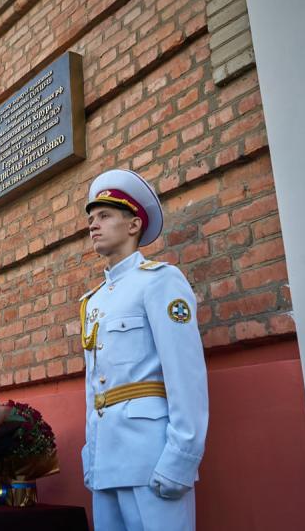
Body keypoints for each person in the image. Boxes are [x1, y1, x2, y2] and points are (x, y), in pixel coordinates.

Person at [80, 169, 209, 531]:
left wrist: (181, 458)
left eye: (104, 216)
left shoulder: (160, 281)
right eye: (91, 219)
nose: (93, 225)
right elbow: (95, 388)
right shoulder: (93, 302)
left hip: (152, 457)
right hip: (107, 458)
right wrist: (91, 455)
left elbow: (186, 375)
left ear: (134, 224)